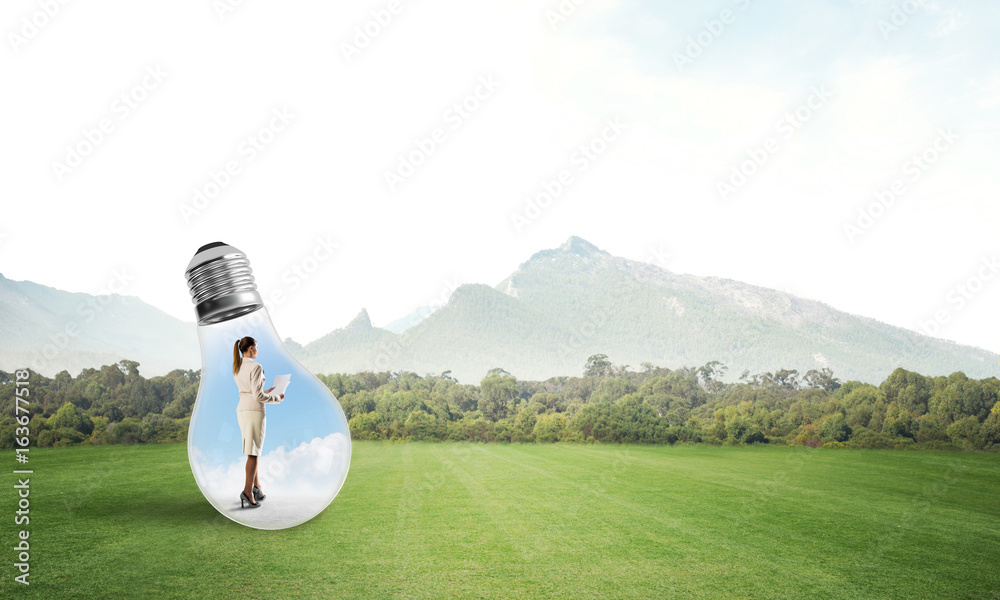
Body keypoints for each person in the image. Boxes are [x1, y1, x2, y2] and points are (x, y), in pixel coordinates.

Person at [233, 336, 284, 508]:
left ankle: (257, 488)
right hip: (254, 410)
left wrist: (267, 390)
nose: (257, 350)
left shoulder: (237, 366)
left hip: (242, 409)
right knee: (253, 453)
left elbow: (252, 391)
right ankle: (247, 492)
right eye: (256, 347)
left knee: (251, 450)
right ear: (250, 349)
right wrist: (277, 397)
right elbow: (257, 396)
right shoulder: (256, 367)